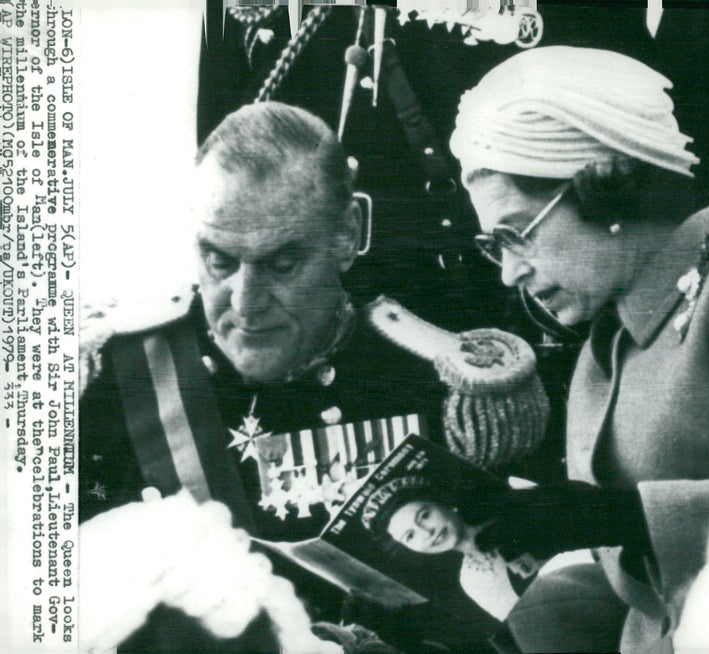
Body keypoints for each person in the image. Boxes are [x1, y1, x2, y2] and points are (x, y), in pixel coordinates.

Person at [79, 101, 525, 653]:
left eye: (281, 264)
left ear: (347, 234)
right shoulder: (116, 382)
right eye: (219, 261)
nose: (244, 303)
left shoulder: (450, 380)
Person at [447, 45, 709, 652]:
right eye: (492, 245)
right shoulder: (600, 354)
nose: (508, 272)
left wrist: (622, 515)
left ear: (604, 189)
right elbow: (649, 593)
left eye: (516, 234)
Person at [363, 475, 539, 621]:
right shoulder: (471, 579)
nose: (426, 532)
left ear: (443, 503)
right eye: (410, 536)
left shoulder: (511, 514)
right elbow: (526, 628)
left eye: (425, 516)